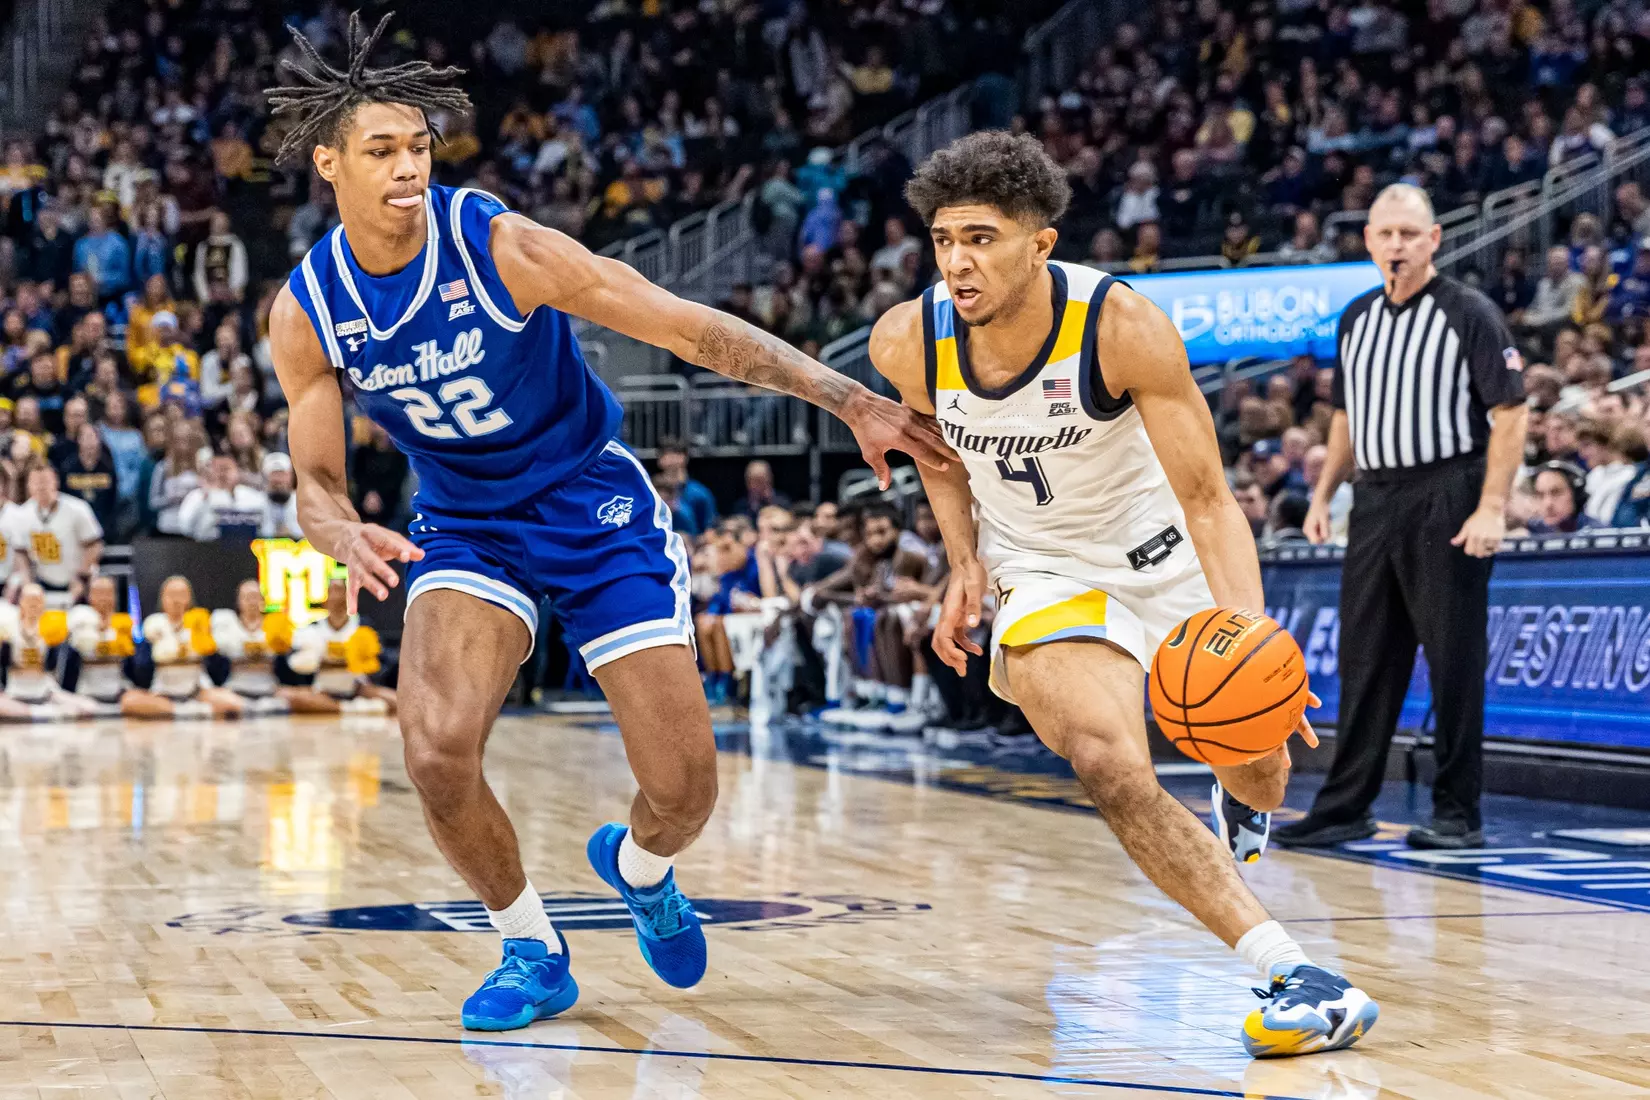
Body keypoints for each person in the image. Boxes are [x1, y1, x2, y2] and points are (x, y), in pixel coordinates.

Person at [263, 11, 948, 1035]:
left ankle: (640, 865)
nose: (408, 166)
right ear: (331, 164)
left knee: (683, 785)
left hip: (590, 499)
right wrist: (338, 527)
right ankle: (531, 947)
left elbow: (685, 325)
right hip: (464, 523)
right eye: (381, 150)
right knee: (436, 747)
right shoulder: (307, 307)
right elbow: (314, 479)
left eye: (418, 145)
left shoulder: (502, 247)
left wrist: (845, 398)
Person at [869, 130, 1375, 1058]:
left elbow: (1210, 499)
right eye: (944, 240)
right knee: (1106, 759)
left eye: (981, 238)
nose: (958, 261)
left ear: (1040, 244)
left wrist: (1250, 634)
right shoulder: (909, 337)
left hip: (1162, 550)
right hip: (1042, 566)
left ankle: (1246, 796)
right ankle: (1291, 969)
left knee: (1258, 760)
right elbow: (936, 456)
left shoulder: (1121, 325)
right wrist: (965, 562)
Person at [1286, 184, 1527, 853]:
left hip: (1448, 489)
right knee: (1365, 660)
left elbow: (1510, 413)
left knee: (1453, 659)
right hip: (1373, 500)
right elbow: (1345, 417)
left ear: (1434, 241)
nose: (1396, 244)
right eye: (1385, 233)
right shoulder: (1356, 318)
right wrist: (1322, 493)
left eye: (1409, 234)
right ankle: (1344, 807)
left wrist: (1491, 507)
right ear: (1367, 241)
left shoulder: (1468, 312)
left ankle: (1458, 812)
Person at [284, 576, 397, 714]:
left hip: (358, 688)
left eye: (340, 590)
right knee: (294, 698)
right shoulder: (312, 629)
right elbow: (295, 663)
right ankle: (348, 709)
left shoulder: (363, 626)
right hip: (324, 690)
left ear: (348, 596)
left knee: (396, 701)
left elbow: (380, 662)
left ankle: (336, 708)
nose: (336, 596)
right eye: (332, 591)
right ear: (325, 599)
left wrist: (365, 661)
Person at [14, 464, 103, 607]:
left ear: (56, 482)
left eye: (45, 482)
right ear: (29, 486)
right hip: (42, 582)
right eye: (36, 482)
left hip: (77, 582)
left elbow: (95, 544)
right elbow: (20, 552)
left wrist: (82, 575)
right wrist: (27, 583)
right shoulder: (23, 514)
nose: (40, 487)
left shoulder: (77, 509)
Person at [210, 579, 295, 714]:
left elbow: (288, 665)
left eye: (255, 597)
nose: (251, 602)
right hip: (235, 690)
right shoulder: (226, 624)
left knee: (295, 697)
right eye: (247, 597)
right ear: (239, 601)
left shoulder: (275, 625)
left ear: (263, 600)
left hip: (270, 689)